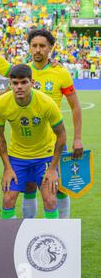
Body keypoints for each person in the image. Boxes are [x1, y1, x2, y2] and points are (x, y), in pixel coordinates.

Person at [0, 64, 67, 219]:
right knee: (7, 199)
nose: (19, 87)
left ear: (32, 82)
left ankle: (52, 239)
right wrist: (7, 167)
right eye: (15, 83)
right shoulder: (1, 103)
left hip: (44, 157)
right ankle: (9, 240)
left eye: (24, 82)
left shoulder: (46, 103)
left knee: (50, 200)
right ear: (10, 84)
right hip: (17, 157)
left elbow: (61, 134)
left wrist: (53, 168)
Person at [24, 28, 83, 219]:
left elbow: (75, 107)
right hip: (27, 142)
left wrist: (78, 139)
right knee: (29, 186)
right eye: (34, 46)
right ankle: (29, 228)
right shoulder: (23, 71)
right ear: (29, 48)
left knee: (58, 186)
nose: (38, 50)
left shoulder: (61, 73)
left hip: (54, 142)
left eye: (43, 46)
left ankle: (63, 228)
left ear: (51, 48)